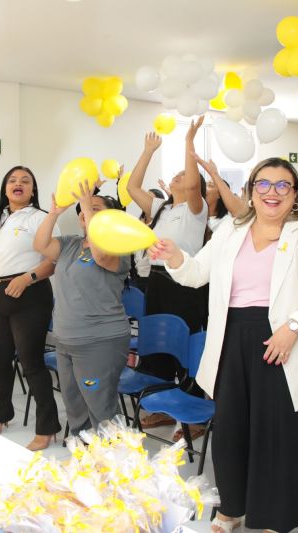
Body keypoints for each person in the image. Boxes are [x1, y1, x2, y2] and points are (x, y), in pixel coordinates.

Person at [150, 156, 298, 533]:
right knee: (232, 430)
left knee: (281, 434)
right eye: (263, 184)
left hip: (287, 340)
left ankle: (275, 519)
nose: (272, 192)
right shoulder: (229, 230)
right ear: (250, 192)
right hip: (231, 338)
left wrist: (294, 326)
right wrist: (174, 257)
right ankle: (231, 508)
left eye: (282, 185)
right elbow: (196, 274)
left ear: (295, 194)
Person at [0, 166, 60, 451]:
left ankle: (47, 428)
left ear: (33, 189)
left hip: (29, 293)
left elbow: (53, 261)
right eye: (12, 180)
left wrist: (27, 278)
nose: (18, 184)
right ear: (5, 188)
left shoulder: (40, 217)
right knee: (0, 359)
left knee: (31, 362)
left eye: (25, 181)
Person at [125, 121, 210, 437]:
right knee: (157, 347)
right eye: (176, 174)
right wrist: (148, 151)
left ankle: (194, 418)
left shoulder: (195, 209)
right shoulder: (160, 207)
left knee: (185, 348)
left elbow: (191, 187)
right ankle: (162, 409)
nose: (179, 177)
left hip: (185, 284)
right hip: (158, 283)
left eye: (185, 176)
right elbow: (133, 188)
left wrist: (189, 142)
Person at [34, 182, 131, 435]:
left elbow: (100, 257)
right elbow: (40, 245)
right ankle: (85, 461)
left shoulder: (117, 246)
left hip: (99, 342)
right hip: (66, 340)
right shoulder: (70, 244)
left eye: (95, 208)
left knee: (101, 409)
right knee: (75, 408)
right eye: (83, 209)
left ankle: (113, 466)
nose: (85, 211)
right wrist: (54, 213)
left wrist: (89, 206)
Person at [194, 154, 246, 232]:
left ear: (220, 194)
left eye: (210, 185)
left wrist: (214, 174)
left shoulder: (227, 222)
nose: (204, 189)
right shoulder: (193, 216)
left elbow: (241, 212)